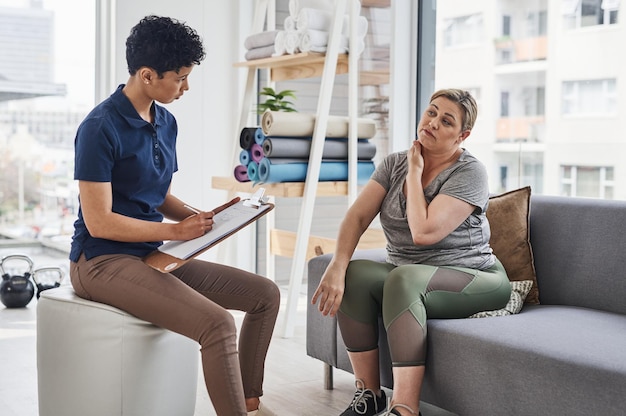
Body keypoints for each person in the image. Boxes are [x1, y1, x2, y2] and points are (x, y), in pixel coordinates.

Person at [68, 15, 280, 416]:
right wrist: (174, 230)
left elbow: (158, 193)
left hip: (153, 254)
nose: (186, 87)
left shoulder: (165, 121)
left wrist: (205, 217)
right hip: (100, 260)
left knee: (265, 295)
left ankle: (249, 404)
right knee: (217, 325)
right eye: (180, 78)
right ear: (147, 75)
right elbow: (100, 222)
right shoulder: (99, 127)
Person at [311, 89, 511, 416]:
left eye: (446, 121)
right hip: (411, 275)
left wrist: (415, 174)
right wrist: (337, 264)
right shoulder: (393, 165)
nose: (432, 122)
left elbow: (424, 232)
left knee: (403, 279)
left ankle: (404, 408)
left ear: (462, 136)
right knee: (355, 273)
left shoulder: (470, 172)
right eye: (431, 112)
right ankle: (369, 394)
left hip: (476, 277)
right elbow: (358, 216)